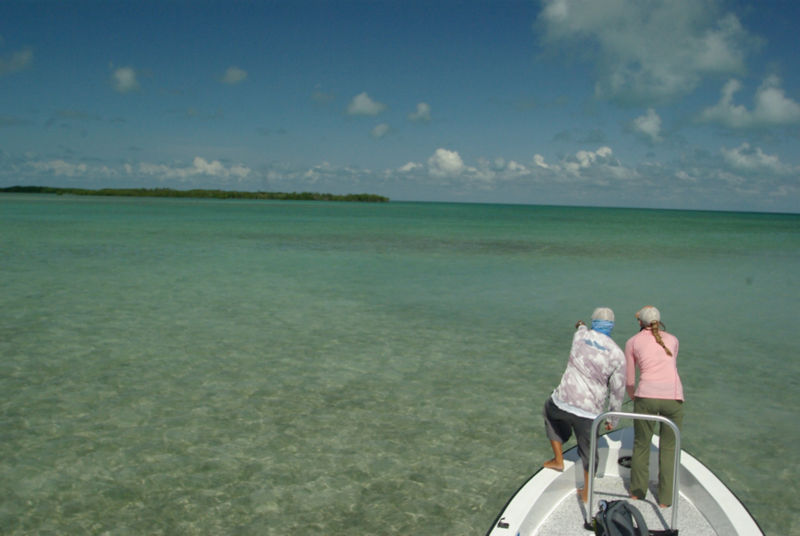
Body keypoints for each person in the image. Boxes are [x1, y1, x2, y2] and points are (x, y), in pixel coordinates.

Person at [542, 307, 626, 502]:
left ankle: (558, 460)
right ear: (611, 326)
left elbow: (580, 328)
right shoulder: (617, 354)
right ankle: (587, 493)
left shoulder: (579, 337)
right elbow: (617, 390)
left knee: (548, 411)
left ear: (593, 323)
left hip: (562, 402)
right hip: (589, 413)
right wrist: (613, 419)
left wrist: (580, 324)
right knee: (589, 452)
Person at [625, 305, 684, 508]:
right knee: (669, 448)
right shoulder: (673, 340)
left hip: (646, 396)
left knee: (641, 444)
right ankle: (666, 500)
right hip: (674, 398)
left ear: (640, 322)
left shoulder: (632, 342)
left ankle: (638, 493)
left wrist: (634, 398)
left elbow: (630, 380)